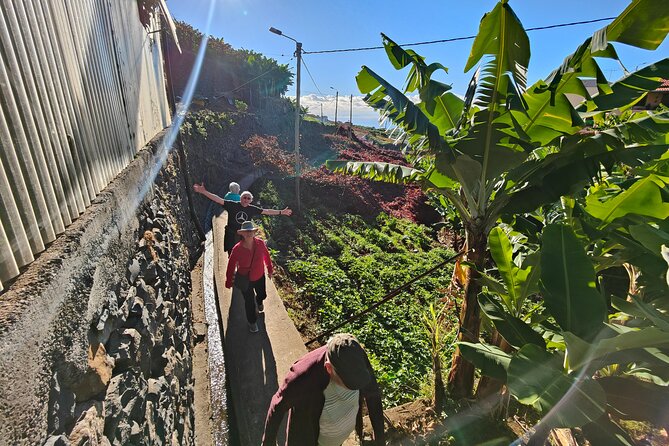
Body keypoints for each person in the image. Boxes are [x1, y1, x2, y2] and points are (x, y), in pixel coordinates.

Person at [262, 333, 385, 446]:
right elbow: (277, 405)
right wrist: (268, 442)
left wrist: (380, 437)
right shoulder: (303, 376)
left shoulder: (355, 355)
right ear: (329, 368)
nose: (355, 389)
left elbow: (373, 394)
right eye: (349, 385)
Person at [193, 182, 292, 253]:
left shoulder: (252, 209)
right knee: (231, 252)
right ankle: (233, 271)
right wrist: (204, 192)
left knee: (243, 252)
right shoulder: (232, 205)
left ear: (250, 200)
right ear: (240, 198)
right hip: (231, 233)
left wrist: (281, 212)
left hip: (244, 235)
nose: (246, 199)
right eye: (244, 197)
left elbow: (266, 211)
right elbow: (218, 200)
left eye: (248, 198)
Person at [225, 221, 274, 333]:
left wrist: (270, 269)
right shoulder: (237, 249)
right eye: (246, 232)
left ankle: (259, 300)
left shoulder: (260, 244)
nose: (249, 233)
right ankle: (252, 322)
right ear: (242, 234)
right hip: (245, 279)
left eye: (251, 231)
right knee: (249, 302)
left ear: (254, 232)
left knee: (262, 294)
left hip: (259, 276)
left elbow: (266, 255)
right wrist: (229, 281)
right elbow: (231, 265)